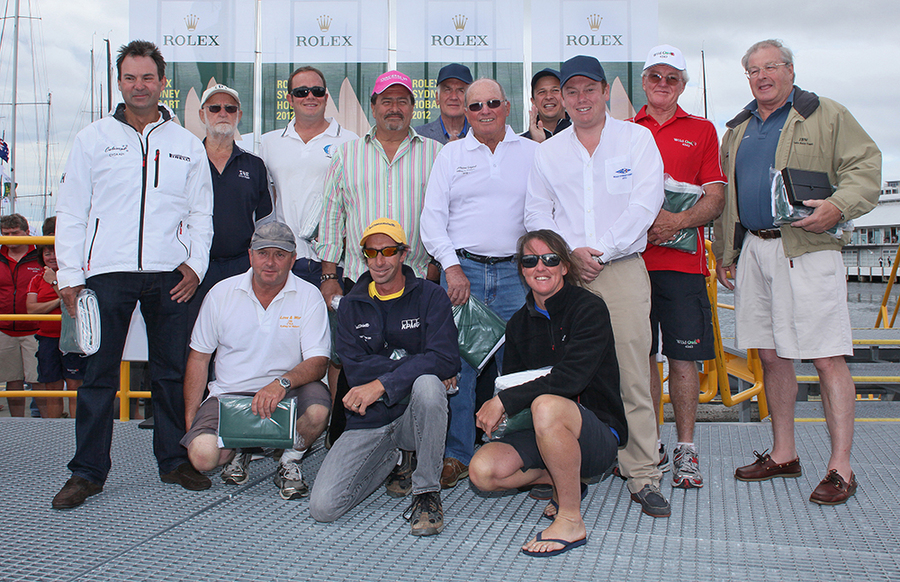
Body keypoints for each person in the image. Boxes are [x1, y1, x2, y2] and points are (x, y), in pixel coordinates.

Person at [713, 39, 881, 505]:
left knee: (827, 357)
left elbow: (866, 168)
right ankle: (784, 453)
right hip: (755, 251)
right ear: (746, 77)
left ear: (790, 70)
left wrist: (837, 207)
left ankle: (840, 467)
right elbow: (728, 196)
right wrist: (727, 252)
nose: (762, 75)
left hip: (807, 250)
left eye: (771, 66)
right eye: (753, 70)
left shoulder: (826, 114)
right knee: (769, 356)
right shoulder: (738, 128)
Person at [52, 40, 214, 510]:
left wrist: (195, 266)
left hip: (169, 274)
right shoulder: (93, 138)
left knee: (169, 373)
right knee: (99, 375)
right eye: (130, 78)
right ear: (119, 82)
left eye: (148, 77)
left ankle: (172, 460)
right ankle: (87, 472)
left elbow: (202, 214)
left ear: (163, 82)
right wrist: (69, 273)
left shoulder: (186, 144)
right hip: (105, 273)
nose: (139, 86)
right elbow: (72, 209)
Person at [525, 55, 669, 517]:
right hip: (566, 274)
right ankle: (569, 472)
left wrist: (599, 251)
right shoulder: (548, 152)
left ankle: (642, 471)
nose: (581, 98)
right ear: (561, 98)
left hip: (621, 269)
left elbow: (647, 202)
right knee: (564, 375)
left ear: (607, 91)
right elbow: (536, 214)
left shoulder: (638, 139)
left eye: (590, 89)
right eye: (572, 91)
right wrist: (569, 257)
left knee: (631, 371)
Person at [470, 229, 627, 557]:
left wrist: (502, 401)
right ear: (522, 270)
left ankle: (571, 519)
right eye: (530, 260)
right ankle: (563, 479)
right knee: (482, 472)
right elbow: (514, 384)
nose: (540, 267)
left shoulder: (589, 308)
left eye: (550, 259)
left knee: (547, 404)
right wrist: (501, 422)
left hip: (596, 433)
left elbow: (570, 380)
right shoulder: (517, 325)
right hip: (544, 431)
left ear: (565, 266)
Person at [421, 78, 537, 489]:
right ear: (464, 112)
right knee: (461, 368)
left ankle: (514, 454)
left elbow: (545, 212)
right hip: (463, 273)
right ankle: (456, 454)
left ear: (507, 106)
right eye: (475, 106)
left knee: (516, 370)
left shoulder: (533, 153)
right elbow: (431, 219)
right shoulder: (451, 156)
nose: (484, 110)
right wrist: (450, 267)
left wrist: (537, 269)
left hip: (516, 275)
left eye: (492, 103)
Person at [309, 218, 459, 536]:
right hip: (369, 419)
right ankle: (390, 460)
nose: (379, 260)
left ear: (403, 254)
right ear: (363, 255)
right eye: (371, 251)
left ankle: (426, 493)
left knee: (430, 386)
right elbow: (356, 369)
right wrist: (421, 365)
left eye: (388, 250)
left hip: (412, 417)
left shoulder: (430, 296)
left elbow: (447, 358)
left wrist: (383, 384)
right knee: (323, 508)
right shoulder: (350, 306)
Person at [631, 44, 726, 489]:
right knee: (642, 357)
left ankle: (686, 449)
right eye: (655, 77)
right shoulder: (626, 129)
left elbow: (716, 197)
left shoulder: (703, 129)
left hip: (685, 266)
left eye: (672, 77)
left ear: (683, 85)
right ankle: (650, 446)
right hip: (633, 264)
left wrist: (676, 222)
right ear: (644, 82)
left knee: (683, 357)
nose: (663, 85)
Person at [182, 222, 331, 499]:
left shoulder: (309, 296)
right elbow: (199, 359)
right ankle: (243, 449)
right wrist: (192, 421)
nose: (270, 262)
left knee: (319, 411)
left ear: (293, 258)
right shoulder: (220, 294)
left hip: (287, 391)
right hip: (231, 395)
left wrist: (281, 383)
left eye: (280, 254)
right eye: (263, 253)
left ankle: (290, 460)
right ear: (250, 256)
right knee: (202, 456)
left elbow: (318, 361)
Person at [259, 66, 358, 287]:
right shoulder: (269, 143)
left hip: (333, 263)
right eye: (302, 92)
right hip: (284, 260)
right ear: (290, 99)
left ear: (326, 96)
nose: (310, 96)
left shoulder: (351, 142)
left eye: (317, 91)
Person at [188, 83, 272, 328]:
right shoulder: (187, 161)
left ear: (239, 116)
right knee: (193, 343)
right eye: (214, 108)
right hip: (195, 269)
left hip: (241, 268)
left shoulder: (255, 165)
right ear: (202, 114)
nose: (222, 113)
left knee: (239, 337)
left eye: (230, 108)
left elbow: (265, 222)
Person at [26, 217, 84, 418]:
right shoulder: (36, 278)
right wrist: (57, 302)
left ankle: (76, 431)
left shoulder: (76, 276)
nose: (51, 256)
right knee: (52, 388)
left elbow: (75, 302)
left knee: (75, 386)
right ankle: (54, 431)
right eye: (47, 252)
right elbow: (31, 310)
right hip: (48, 338)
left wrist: (53, 283)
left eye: (55, 251)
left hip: (72, 338)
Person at [0, 213, 42, 417]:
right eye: (5, 234)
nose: (10, 238)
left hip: (36, 328)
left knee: (39, 381)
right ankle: (17, 425)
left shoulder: (40, 256)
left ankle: (46, 427)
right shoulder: (0, 257)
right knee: (12, 381)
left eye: (14, 233)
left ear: (27, 232)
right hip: (5, 328)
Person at [416, 64, 473, 144]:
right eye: (447, 90)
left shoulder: (480, 134)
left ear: (470, 99)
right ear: (437, 98)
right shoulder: (419, 137)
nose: (454, 97)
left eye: (461, 90)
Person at [521, 68, 571, 143]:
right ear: (533, 101)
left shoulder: (580, 137)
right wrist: (537, 143)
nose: (548, 97)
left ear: (565, 97)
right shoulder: (521, 143)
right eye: (542, 92)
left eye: (555, 90)